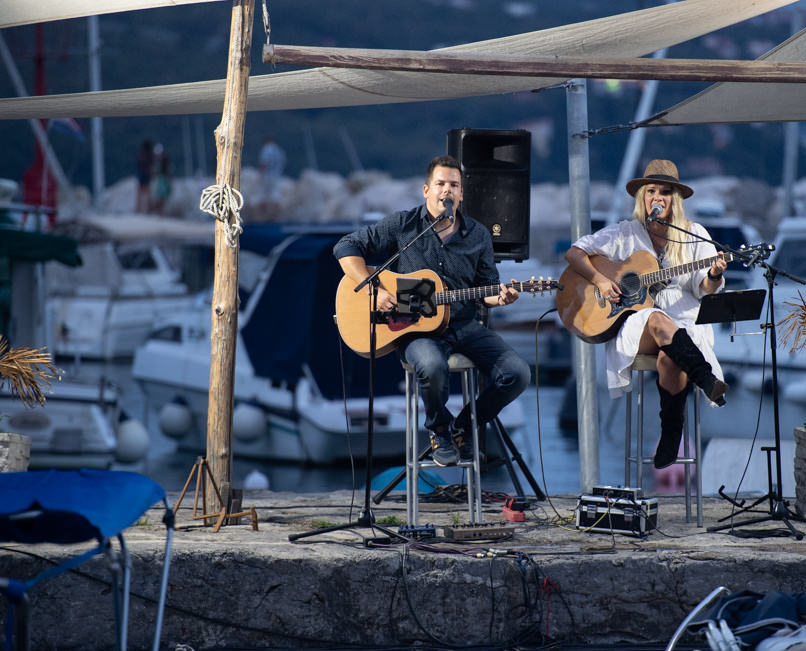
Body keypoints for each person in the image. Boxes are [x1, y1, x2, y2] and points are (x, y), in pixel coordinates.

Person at [333, 155, 531, 466]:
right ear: (426, 190)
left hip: (466, 325)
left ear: (461, 194)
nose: (447, 190)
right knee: (431, 365)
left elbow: (488, 288)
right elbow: (346, 246)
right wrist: (373, 290)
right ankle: (439, 428)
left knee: (517, 373)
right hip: (416, 331)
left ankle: (461, 428)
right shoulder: (404, 225)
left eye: (454, 185)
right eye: (440, 184)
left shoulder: (478, 235)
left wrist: (501, 297)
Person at [564, 158, 729, 469]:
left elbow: (704, 287)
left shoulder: (694, 233)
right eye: (651, 190)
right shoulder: (624, 233)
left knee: (671, 357)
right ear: (642, 197)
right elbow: (575, 253)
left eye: (665, 192)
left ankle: (670, 434)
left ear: (675, 199)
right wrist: (600, 279)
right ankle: (706, 377)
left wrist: (715, 275)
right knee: (654, 317)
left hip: (684, 327)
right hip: (637, 326)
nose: (657, 197)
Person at [257, 135, 286, 200]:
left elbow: (264, 162)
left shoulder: (266, 149)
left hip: (267, 174)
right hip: (276, 174)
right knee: (275, 194)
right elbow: (283, 161)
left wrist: (260, 174)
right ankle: (276, 209)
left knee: (262, 194)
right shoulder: (278, 149)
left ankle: (263, 210)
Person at [136, 139, 155, 213]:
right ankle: (147, 209)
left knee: (139, 192)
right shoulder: (149, 154)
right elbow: (151, 165)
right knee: (147, 192)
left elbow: (139, 164)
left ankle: (138, 208)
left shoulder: (141, 154)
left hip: (141, 173)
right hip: (146, 174)